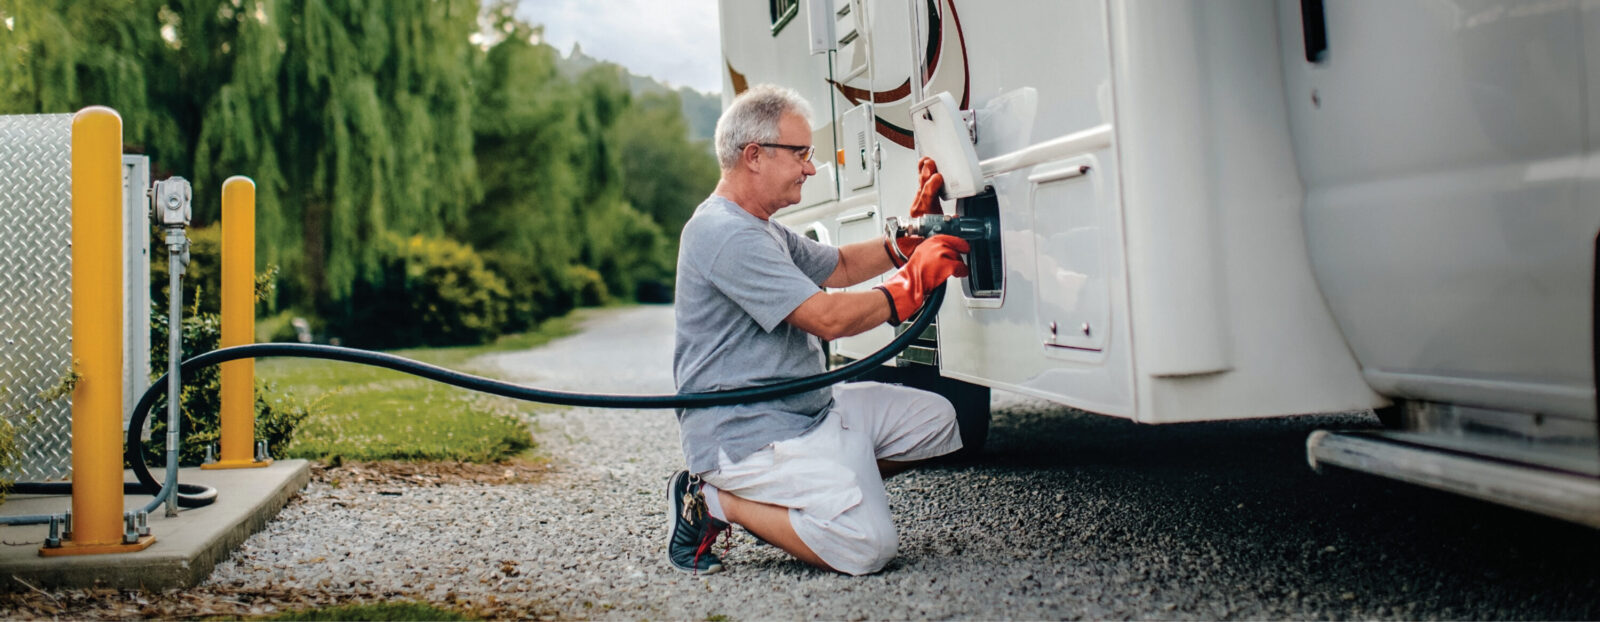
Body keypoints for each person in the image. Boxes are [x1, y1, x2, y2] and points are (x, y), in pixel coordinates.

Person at [668, 84, 971, 576]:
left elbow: (844, 265)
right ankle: (714, 499)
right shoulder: (722, 233)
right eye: (801, 154)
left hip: (808, 410)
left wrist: (911, 237)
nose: (810, 167)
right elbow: (825, 319)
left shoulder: (759, 225)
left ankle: (823, 484)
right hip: (752, 432)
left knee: (937, 422)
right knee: (867, 547)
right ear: (754, 156)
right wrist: (910, 285)